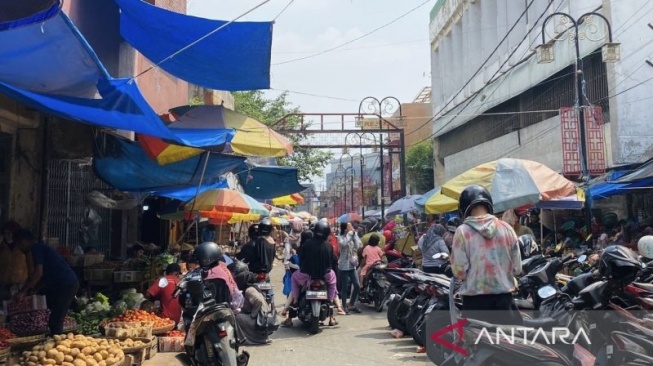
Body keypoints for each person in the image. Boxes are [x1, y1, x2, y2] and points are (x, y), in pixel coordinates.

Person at [450, 185, 522, 325]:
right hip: (504, 301)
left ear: (465, 207)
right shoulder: (507, 228)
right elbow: (517, 268)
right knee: (508, 344)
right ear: (488, 204)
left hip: (475, 304)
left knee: (476, 345)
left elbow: (459, 271)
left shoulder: (462, 232)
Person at [14, 229, 79, 335]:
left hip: (66, 284)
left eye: (18, 244)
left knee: (56, 319)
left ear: (24, 241)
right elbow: (44, 277)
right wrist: (34, 289)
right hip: (63, 283)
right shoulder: (40, 248)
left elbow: (38, 273)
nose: (19, 248)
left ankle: (58, 344)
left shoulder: (37, 249)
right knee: (55, 316)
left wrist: (23, 291)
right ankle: (56, 340)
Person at [290, 221, 339, 326]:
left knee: (294, 277)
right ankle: (331, 302)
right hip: (325, 275)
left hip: (307, 275)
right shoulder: (329, 246)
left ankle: (294, 300)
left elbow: (301, 258)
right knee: (333, 281)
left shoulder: (307, 243)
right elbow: (332, 261)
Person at [233, 271, 274, 345]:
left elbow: (258, 302)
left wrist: (252, 315)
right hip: (263, 317)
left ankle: (249, 339)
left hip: (261, 319)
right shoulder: (253, 288)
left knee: (238, 317)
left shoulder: (249, 290)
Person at [0, 221, 31, 301]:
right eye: (5, 234)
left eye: (9, 234)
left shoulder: (23, 248)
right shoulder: (2, 247)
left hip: (20, 283)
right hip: (4, 283)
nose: (7, 236)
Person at [337, 222, 362, 314]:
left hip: (352, 264)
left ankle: (351, 304)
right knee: (344, 287)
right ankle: (344, 306)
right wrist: (349, 235)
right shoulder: (340, 237)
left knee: (357, 285)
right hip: (343, 265)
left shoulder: (352, 235)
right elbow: (343, 244)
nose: (351, 228)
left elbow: (359, 245)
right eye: (349, 226)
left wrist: (354, 235)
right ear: (345, 229)